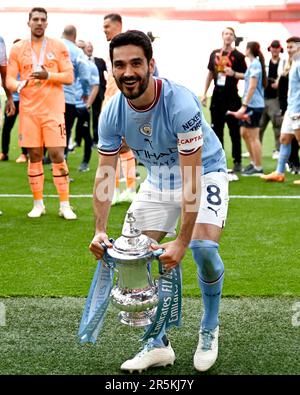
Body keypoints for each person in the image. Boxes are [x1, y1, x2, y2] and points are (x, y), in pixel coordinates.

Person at [89, 30, 229, 373]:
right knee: (133, 254)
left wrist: (181, 240)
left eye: (136, 62)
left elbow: (193, 179)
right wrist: (99, 230)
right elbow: (105, 175)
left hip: (204, 171)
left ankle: (209, 328)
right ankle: (157, 343)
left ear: (152, 64)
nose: (128, 71)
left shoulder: (180, 102)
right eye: (119, 65)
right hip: (158, 178)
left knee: (202, 249)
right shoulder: (112, 111)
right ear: (112, 70)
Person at [6, 7, 77, 219]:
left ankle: (65, 204)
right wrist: (18, 84)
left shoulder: (58, 46)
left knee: (56, 154)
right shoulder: (18, 48)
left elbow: (69, 77)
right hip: (29, 111)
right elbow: (9, 79)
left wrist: (48, 75)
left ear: (47, 23)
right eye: (35, 19)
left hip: (53, 110)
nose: (39, 23)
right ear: (28, 23)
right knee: (35, 155)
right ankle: (38, 203)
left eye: (42, 20)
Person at [201, 27, 247, 174]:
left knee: (234, 131)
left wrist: (233, 73)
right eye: (226, 34)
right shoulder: (214, 53)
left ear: (234, 38)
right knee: (216, 131)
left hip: (232, 96)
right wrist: (204, 93)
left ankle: (237, 161)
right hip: (217, 96)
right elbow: (210, 74)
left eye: (231, 34)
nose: (228, 36)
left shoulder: (238, 56)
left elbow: (246, 75)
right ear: (222, 36)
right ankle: (218, 162)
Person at [103, 13, 136, 205]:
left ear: (118, 25)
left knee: (119, 147)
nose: (104, 30)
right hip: (111, 103)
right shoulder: (111, 48)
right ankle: (123, 189)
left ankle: (123, 189)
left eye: (107, 26)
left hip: (123, 104)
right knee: (119, 148)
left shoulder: (126, 49)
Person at [261, 36, 300, 185]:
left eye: (292, 47)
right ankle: (279, 172)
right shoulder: (293, 63)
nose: (289, 50)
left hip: (298, 109)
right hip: (291, 108)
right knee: (284, 139)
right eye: (288, 47)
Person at [226, 41, 267, 176]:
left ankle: (258, 167)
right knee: (244, 133)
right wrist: (233, 73)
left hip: (254, 105)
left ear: (249, 49)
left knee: (253, 136)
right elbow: (246, 77)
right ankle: (253, 162)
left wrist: (244, 106)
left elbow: (253, 85)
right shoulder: (253, 64)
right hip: (251, 104)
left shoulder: (255, 64)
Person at [60, 25, 90, 161]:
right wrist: (85, 91)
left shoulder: (51, 46)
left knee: (48, 132)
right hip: (67, 98)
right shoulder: (77, 52)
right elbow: (84, 76)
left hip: (47, 99)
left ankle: (37, 164)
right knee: (64, 133)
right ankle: (61, 168)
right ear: (75, 36)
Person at [0, 39, 28, 163]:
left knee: (25, 128)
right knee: (7, 127)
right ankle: (4, 153)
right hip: (13, 99)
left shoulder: (29, 63)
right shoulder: (9, 63)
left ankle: (24, 154)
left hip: (26, 101)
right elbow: (5, 80)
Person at [74, 40, 99, 172]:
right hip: (69, 104)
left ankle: (85, 162)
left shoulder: (91, 66)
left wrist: (88, 104)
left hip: (83, 106)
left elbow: (95, 87)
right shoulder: (69, 64)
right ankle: (60, 162)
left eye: (80, 48)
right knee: (62, 133)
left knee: (85, 134)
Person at [259, 40, 284, 160]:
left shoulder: (283, 63)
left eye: (276, 48)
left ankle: (278, 149)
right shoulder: (265, 63)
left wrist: (279, 83)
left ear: (280, 49)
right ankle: (256, 149)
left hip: (275, 99)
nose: (274, 50)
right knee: (259, 126)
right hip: (263, 98)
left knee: (277, 126)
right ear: (270, 49)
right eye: (272, 48)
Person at [83, 41, 107, 147]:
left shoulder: (100, 61)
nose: (90, 48)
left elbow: (108, 73)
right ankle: (79, 140)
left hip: (98, 93)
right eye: (88, 47)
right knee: (84, 117)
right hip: (85, 93)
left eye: (91, 46)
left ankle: (96, 139)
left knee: (96, 116)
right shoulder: (81, 61)